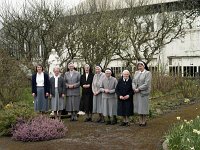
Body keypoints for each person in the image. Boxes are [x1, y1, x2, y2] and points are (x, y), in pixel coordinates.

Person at [132, 61, 152, 127]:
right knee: (139, 107)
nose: (139, 67)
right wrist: (134, 88)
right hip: (137, 93)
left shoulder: (147, 73)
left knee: (143, 107)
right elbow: (133, 81)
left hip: (143, 92)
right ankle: (140, 120)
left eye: (141, 66)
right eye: (138, 66)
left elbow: (147, 84)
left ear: (144, 66)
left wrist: (139, 89)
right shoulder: (136, 72)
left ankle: (144, 120)